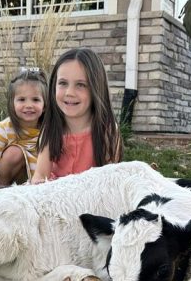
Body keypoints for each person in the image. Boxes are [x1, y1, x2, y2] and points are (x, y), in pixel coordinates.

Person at [30, 48, 122, 183]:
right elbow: (40, 177)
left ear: (96, 88)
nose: (69, 92)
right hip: (55, 194)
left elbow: (111, 182)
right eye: (63, 83)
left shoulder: (107, 130)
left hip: (93, 196)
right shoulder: (51, 129)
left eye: (80, 85)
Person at [0, 68, 47, 190]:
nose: (29, 105)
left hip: (39, 179)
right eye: (22, 99)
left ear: (44, 106)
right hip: (12, 176)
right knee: (14, 153)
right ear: (12, 104)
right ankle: (2, 188)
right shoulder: (4, 128)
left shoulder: (49, 128)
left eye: (36, 100)